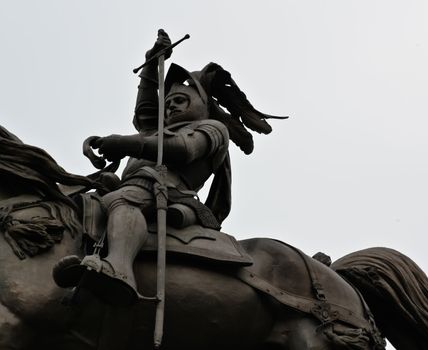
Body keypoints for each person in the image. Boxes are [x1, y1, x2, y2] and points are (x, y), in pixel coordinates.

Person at [53, 30, 285, 305]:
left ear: (198, 104)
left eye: (180, 101)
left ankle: (120, 269)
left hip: (165, 192)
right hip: (131, 185)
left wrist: (123, 143)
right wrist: (151, 64)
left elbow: (183, 149)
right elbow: (146, 111)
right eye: (169, 102)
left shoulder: (212, 128)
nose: (171, 106)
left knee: (123, 202)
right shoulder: (156, 130)